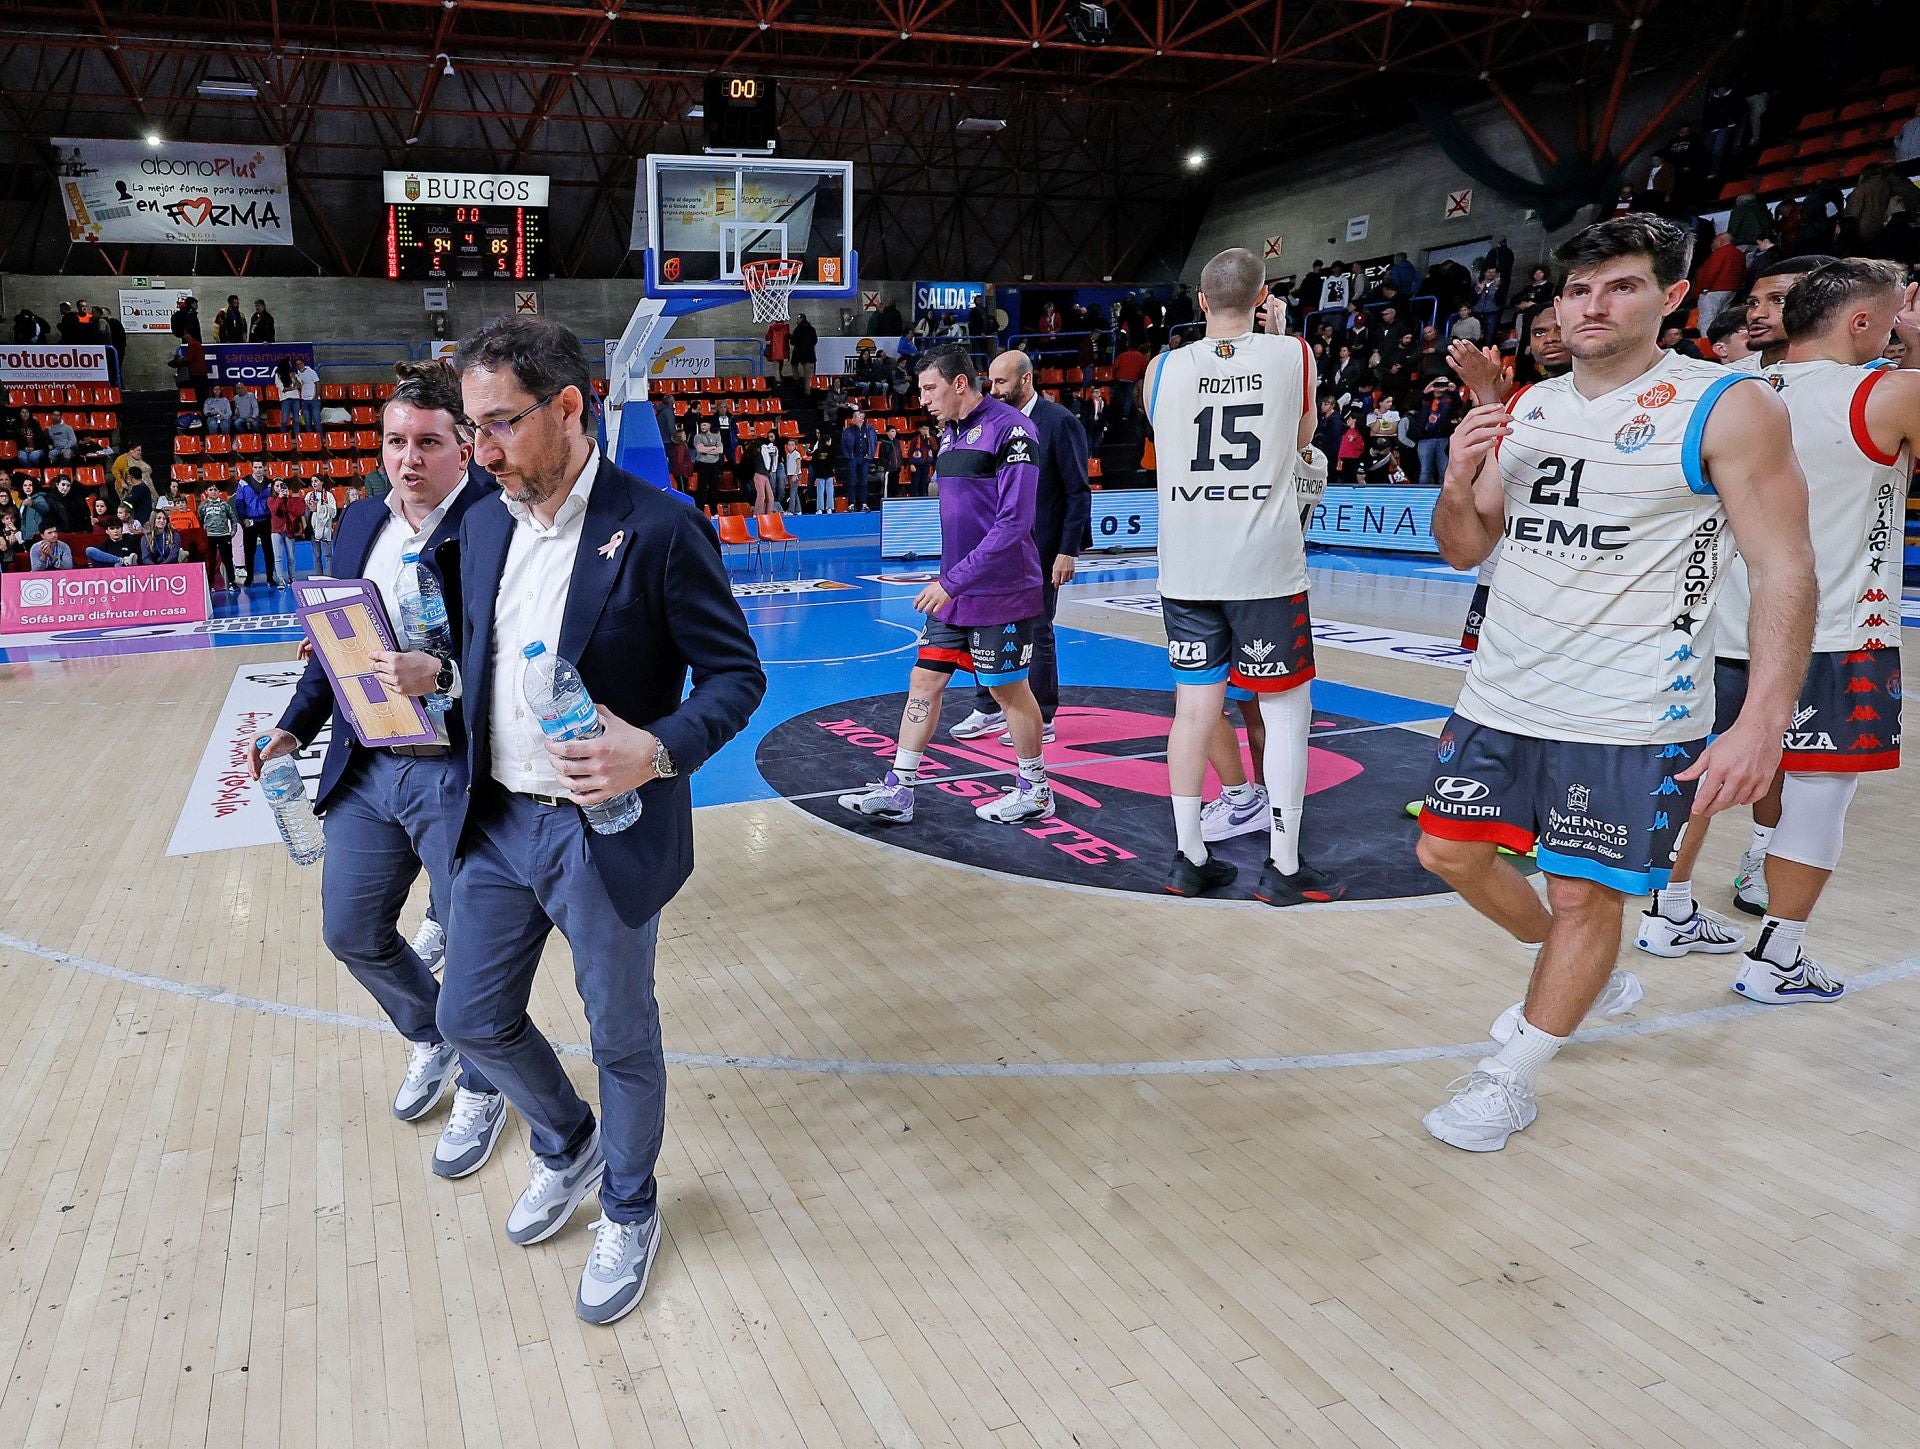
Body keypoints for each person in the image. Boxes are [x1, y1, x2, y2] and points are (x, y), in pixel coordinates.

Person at [1415, 214, 1816, 1152]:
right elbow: (1465, 546)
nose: (1593, 306)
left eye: (1622, 286)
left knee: (1585, 900)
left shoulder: (1725, 405)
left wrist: (1763, 718)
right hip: (1502, 693)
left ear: (1673, 297)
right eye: (1579, 290)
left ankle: (1510, 1075)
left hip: (1631, 710)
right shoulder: (1533, 409)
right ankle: (1574, 970)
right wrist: (1459, 475)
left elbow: (1786, 566)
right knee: (1449, 855)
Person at [441, 316, 764, 1325]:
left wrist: (656, 748)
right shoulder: (484, 520)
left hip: (606, 829)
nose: (479, 450)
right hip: (498, 820)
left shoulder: (659, 527)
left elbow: (737, 676)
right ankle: (566, 1141)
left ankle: (630, 1205)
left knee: (622, 1033)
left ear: (569, 407)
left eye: (497, 426)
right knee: (469, 1017)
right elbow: (487, 660)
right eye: (470, 427)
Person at [252, 358, 510, 1185]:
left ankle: (483, 1081)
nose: (409, 458)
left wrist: (449, 676)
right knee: (351, 929)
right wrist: (294, 728)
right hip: (370, 763)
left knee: (472, 948)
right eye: (396, 440)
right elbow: (339, 646)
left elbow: (520, 655)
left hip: (457, 766)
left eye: (428, 442)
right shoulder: (360, 521)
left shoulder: (498, 524)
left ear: (463, 447)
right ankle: (431, 1036)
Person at [1652, 259, 1918, 1000]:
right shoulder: (1891, 391)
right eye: (1893, 314)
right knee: (1816, 798)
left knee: (1693, 776)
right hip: (1835, 633)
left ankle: (1665, 912)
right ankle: (1776, 961)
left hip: (1724, 626)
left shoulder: (1728, 392)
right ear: (1861, 322)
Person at [1142, 247, 1341, 906]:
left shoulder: (1161, 368)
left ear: (1201, 301)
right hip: (1263, 567)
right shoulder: (1294, 355)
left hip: (1187, 565)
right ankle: (1283, 866)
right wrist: (1277, 340)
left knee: (1193, 707)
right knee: (1285, 714)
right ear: (1263, 300)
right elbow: (1303, 434)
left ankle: (1189, 854)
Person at [838, 343, 1055, 828]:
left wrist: (952, 581)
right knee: (925, 680)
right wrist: (950, 581)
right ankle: (900, 790)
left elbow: (1014, 522)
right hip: (956, 591)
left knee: (1006, 690)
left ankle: (1035, 790)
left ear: (960, 383)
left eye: (930, 388)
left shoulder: (1012, 430)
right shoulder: (951, 434)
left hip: (1000, 590)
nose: (924, 399)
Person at [949, 350, 1090, 746]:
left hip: (1042, 550)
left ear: (1026, 380)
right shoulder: (990, 423)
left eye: (1001, 383)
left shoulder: (1060, 423)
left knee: (1039, 629)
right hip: (996, 548)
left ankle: (1043, 716)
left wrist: (1069, 550)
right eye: (990, 382)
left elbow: (1078, 492)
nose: (993, 390)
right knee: (983, 623)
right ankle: (989, 707)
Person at [1741, 252, 1835, 370]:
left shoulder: (1853, 378)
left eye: (1778, 300)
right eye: (1753, 303)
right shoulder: (1727, 376)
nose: (1756, 314)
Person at [1407, 377, 1462, 486]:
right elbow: (1412, 405)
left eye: (1443, 385)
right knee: (1425, 470)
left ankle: (1444, 495)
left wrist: (1454, 392)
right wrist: (1425, 391)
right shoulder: (1425, 398)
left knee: (1444, 468)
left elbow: (1458, 406)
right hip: (1425, 439)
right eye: (1437, 385)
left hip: (1443, 438)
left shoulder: (1450, 398)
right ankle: (1423, 495)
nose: (1440, 388)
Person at [1693, 232, 1747, 334]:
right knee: (1722, 319)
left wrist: (1705, 288)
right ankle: (1720, 341)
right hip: (1731, 291)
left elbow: (1711, 271)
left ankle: (1707, 345)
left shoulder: (1720, 253)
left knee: (1706, 320)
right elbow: (1743, 273)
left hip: (1713, 290)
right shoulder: (1740, 254)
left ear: (1719, 240)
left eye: (1714, 241)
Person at [235, 461, 276, 586]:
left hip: (265, 520)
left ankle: (270, 577)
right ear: (252, 468)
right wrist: (243, 518)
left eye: (260, 467)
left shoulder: (270, 484)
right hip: (249, 520)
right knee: (249, 550)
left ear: (264, 468)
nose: (258, 470)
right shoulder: (243, 482)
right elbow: (239, 502)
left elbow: (274, 501)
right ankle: (250, 578)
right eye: (255, 467)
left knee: (268, 550)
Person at [198, 485, 240, 590]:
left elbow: (234, 519)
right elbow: (199, 521)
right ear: (206, 491)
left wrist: (232, 533)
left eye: (215, 489)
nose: (213, 492)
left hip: (224, 536)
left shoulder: (225, 505)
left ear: (219, 491)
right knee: (210, 561)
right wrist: (203, 535)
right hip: (209, 537)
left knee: (228, 560)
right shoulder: (202, 506)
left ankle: (232, 582)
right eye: (210, 490)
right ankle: (210, 585)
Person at [840, 408, 876, 511]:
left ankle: (864, 503)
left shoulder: (869, 429)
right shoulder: (848, 430)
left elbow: (873, 443)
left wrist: (870, 455)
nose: (853, 418)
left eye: (855, 416)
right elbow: (844, 445)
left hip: (864, 458)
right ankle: (851, 503)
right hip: (853, 458)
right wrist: (849, 456)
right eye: (853, 416)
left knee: (864, 482)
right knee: (852, 481)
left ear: (861, 418)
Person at [268, 478, 302, 583]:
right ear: (273, 488)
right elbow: (273, 510)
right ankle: (281, 579)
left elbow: (296, 512)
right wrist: (279, 498)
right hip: (276, 531)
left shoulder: (289, 499)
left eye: (281, 486)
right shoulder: (271, 499)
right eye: (277, 486)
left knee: (291, 557)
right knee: (278, 557)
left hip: (289, 530)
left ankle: (292, 577)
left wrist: (287, 499)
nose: (279, 488)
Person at [305, 479, 339, 575]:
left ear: (322, 482)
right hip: (313, 528)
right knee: (317, 555)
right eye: (312, 482)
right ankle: (318, 577)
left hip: (326, 528)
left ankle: (329, 577)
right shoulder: (309, 496)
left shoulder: (328, 496)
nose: (314, 483)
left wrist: (320, 508)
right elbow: (306, 513)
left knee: (328, 555)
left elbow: (334, 512)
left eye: (316, 481)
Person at [690, 419, 724, 512]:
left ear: (709, 425)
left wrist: (707, 449)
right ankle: (699, 511)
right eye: (701, 425)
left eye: (704, 425)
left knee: (714, 489)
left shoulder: (717, 436)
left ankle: (714, 512)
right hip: (703, 465)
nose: (702, 427)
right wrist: (713, 447)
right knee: (701, 489)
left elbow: (720, 450)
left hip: (715, 465)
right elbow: (700, 450)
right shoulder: (698, 437)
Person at [751, 437, 781, 517]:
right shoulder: (757, 455)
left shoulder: (766, 455)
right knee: (761, 495)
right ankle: (757, 514)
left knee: (770, 496)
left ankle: (769, 513)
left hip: (765, 476)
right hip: (759, 476)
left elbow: (771, 459)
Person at [810, 428, 836, 513]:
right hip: (829, 473)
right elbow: (833, 461)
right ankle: (829, 508)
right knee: (830, 491)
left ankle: (820, 509)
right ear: (827, 441)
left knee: (820, 492)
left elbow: (814, 463)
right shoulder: (831, 450)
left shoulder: (817, 451)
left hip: (820, 474)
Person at [275, 357, 304, 436]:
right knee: (284, 420)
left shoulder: (294, 374)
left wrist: (294, 378)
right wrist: (293, 388)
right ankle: (283, 436)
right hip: (285, 399)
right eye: (289, 363)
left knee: (296, 419)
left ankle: (297, 437)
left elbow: (300, 386)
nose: (291, 365)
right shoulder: (278, 375)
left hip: (296, 399)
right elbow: (283, 389)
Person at [295, 358, 322, 433]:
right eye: (297, 365)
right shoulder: (298, 374)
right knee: (307, 421)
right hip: (304, 401)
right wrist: (296, 379)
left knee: (316, 420)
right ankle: (310, 439)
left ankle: (320, 438)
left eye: (300, 364)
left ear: (303, 364)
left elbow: (317, 383)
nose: (299, 366)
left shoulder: (311, 372)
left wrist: (316, 396)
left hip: (314, 400)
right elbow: (300, 387)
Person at [790, 311, 818, 384]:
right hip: (809, 353)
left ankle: (797, 380)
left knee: (794, 364)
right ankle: (807, 392)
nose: (797, 321)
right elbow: (815, 340)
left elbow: (793, 341)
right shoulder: (811, 329)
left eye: (798, 319)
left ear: (801, 319)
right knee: (807, 375)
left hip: (799, 352)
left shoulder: (798, 329)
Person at [782, 435, 807, 513]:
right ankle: (798, 510)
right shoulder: (788, 454)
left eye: (792, 445)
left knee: (792, 492)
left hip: (795, 474)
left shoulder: (797, 454)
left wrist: (795, 474)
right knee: (794, 492)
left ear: (795, 446)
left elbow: (798, 465)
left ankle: (791, 510)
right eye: (789, 445)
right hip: (790, 474)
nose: (790, 446)